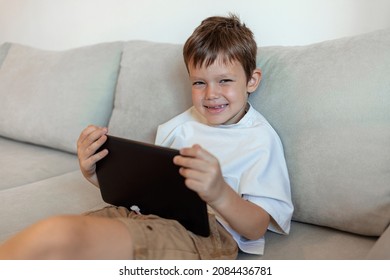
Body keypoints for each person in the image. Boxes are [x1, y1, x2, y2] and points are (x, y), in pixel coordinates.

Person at [0, 14, 293, 260]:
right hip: (143, 214)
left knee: (60, 236)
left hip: (204, 232)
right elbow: (145, 192)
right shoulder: (179, 126)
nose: (211, 94)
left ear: (252, 80)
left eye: (225, 81)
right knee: (52, 240)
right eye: (199, 82)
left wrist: (218, 192)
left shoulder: (260, 140)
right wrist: (94, 173)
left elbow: (256, 228)